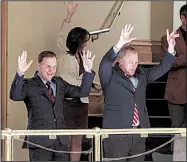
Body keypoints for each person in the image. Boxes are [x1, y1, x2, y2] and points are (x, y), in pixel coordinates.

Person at [99, 24, 179, 161]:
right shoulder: (110, 76)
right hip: (117, 134)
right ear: (119, 62)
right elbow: (105, 63)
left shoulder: (142, 74)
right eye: (130, 62)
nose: (134, 65)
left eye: (136, 62)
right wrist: (119, 44)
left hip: (139, 132)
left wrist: (171, 50)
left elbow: (161, 69)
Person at [9, 50, 95, 161]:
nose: (52, 70)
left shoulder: (59, 83)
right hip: (40, 142)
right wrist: (20, 73)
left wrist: (87, 71)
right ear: (39, 65)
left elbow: (82, 93)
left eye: (54, 67)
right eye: (48, 66)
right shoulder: (29, 84)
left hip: (61, 141)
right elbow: (15, 96)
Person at [56, 2, 101, 161]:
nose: (87, 44)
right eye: (85, 41)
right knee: (66, 141)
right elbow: (62, 35)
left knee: (78, 141)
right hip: (67, 102)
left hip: (82, 103)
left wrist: (96, 84)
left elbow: (88, 77)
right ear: (77, 41)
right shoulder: (64, 56)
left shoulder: (84, 57)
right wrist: (69, 15)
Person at [160, 4, 186, 129]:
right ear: (183, 18)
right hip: (177, 92)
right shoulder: (167, 39)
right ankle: (180, 150)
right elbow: (167, 64)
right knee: (178, 129)